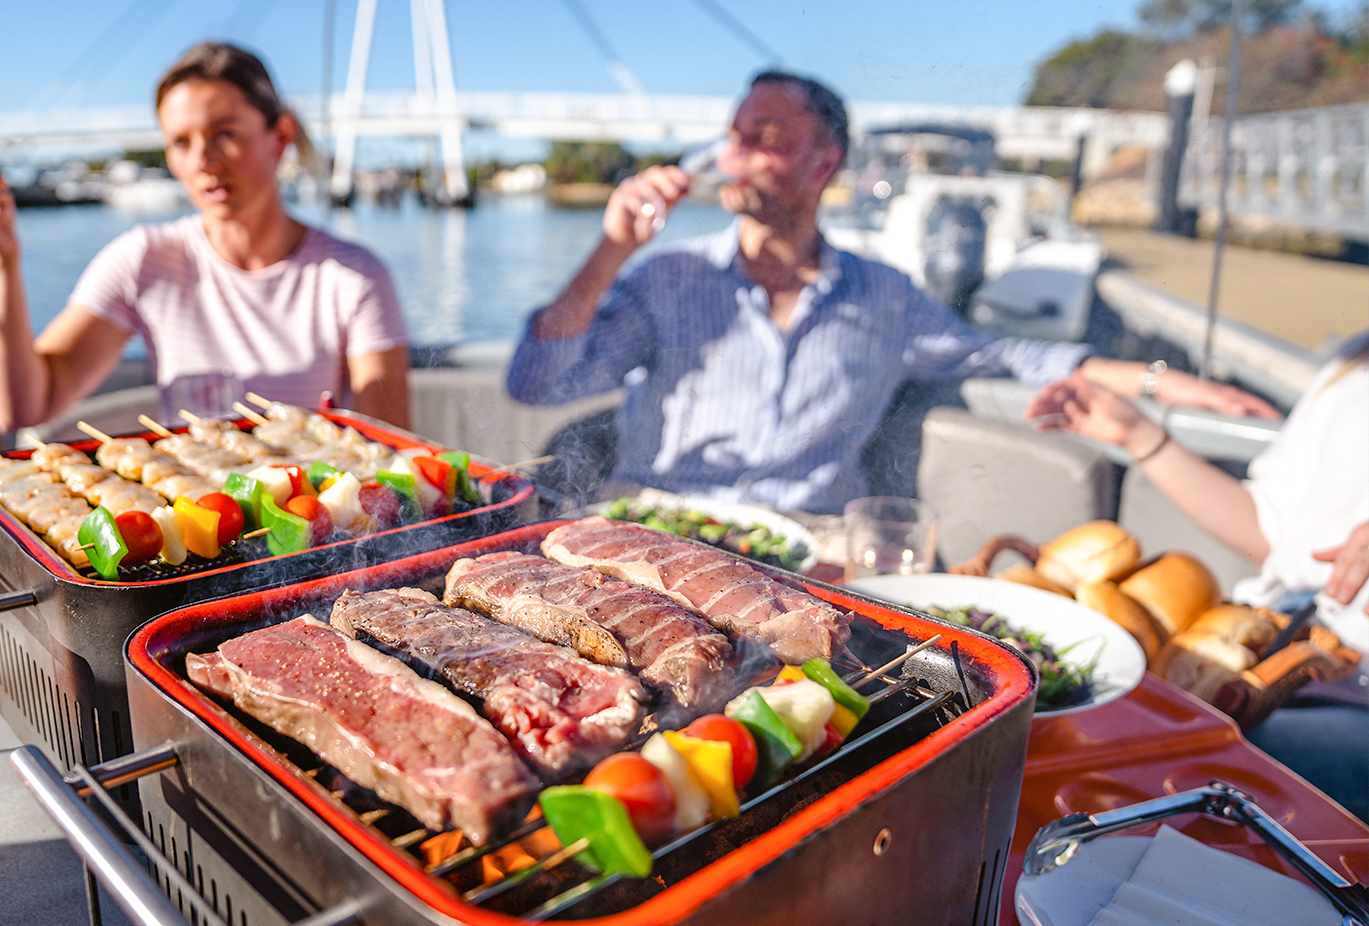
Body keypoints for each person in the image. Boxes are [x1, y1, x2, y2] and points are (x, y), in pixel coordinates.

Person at [506, 70, 1277, 513]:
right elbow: (537, 383)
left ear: (823, 163)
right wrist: (613, 247)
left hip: (801, 563)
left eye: (767, 137)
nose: (736, 153)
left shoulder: (885, 299)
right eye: (736, 133)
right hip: (653, 534)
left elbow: (1007, 352)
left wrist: (1157, 379)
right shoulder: (668, 278)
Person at [0, 42, 411, 433]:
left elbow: (389, 453)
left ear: (279, 137)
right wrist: (2, 257)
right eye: (182, 142)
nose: (202, 159)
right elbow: (24, 408)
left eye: (224, 134)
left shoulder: (353, 277)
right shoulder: (144, 259)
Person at [1029, 333, 1369, 820]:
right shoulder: (1354, 360)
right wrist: (1142, 438)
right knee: (1086, 708)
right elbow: (1272, 529)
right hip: (1276, 640)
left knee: (1165, 757)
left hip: (1356, 702)